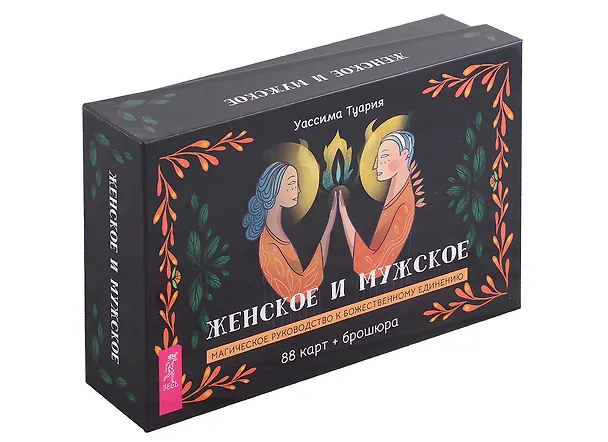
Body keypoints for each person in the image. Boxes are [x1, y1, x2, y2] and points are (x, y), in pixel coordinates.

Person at [244, 161, 337, 301]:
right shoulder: (270, 246)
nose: (298, 190)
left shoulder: (277, 232)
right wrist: (329, 227)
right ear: (274, 189)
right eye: (292, 184)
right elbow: (298, 292)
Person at [338, 131, 416, 277]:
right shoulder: (396, 196)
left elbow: (371, 269)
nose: (375, 165)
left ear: (404, 154)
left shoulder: (403, 207)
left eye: (384, 156)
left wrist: (343, 214)